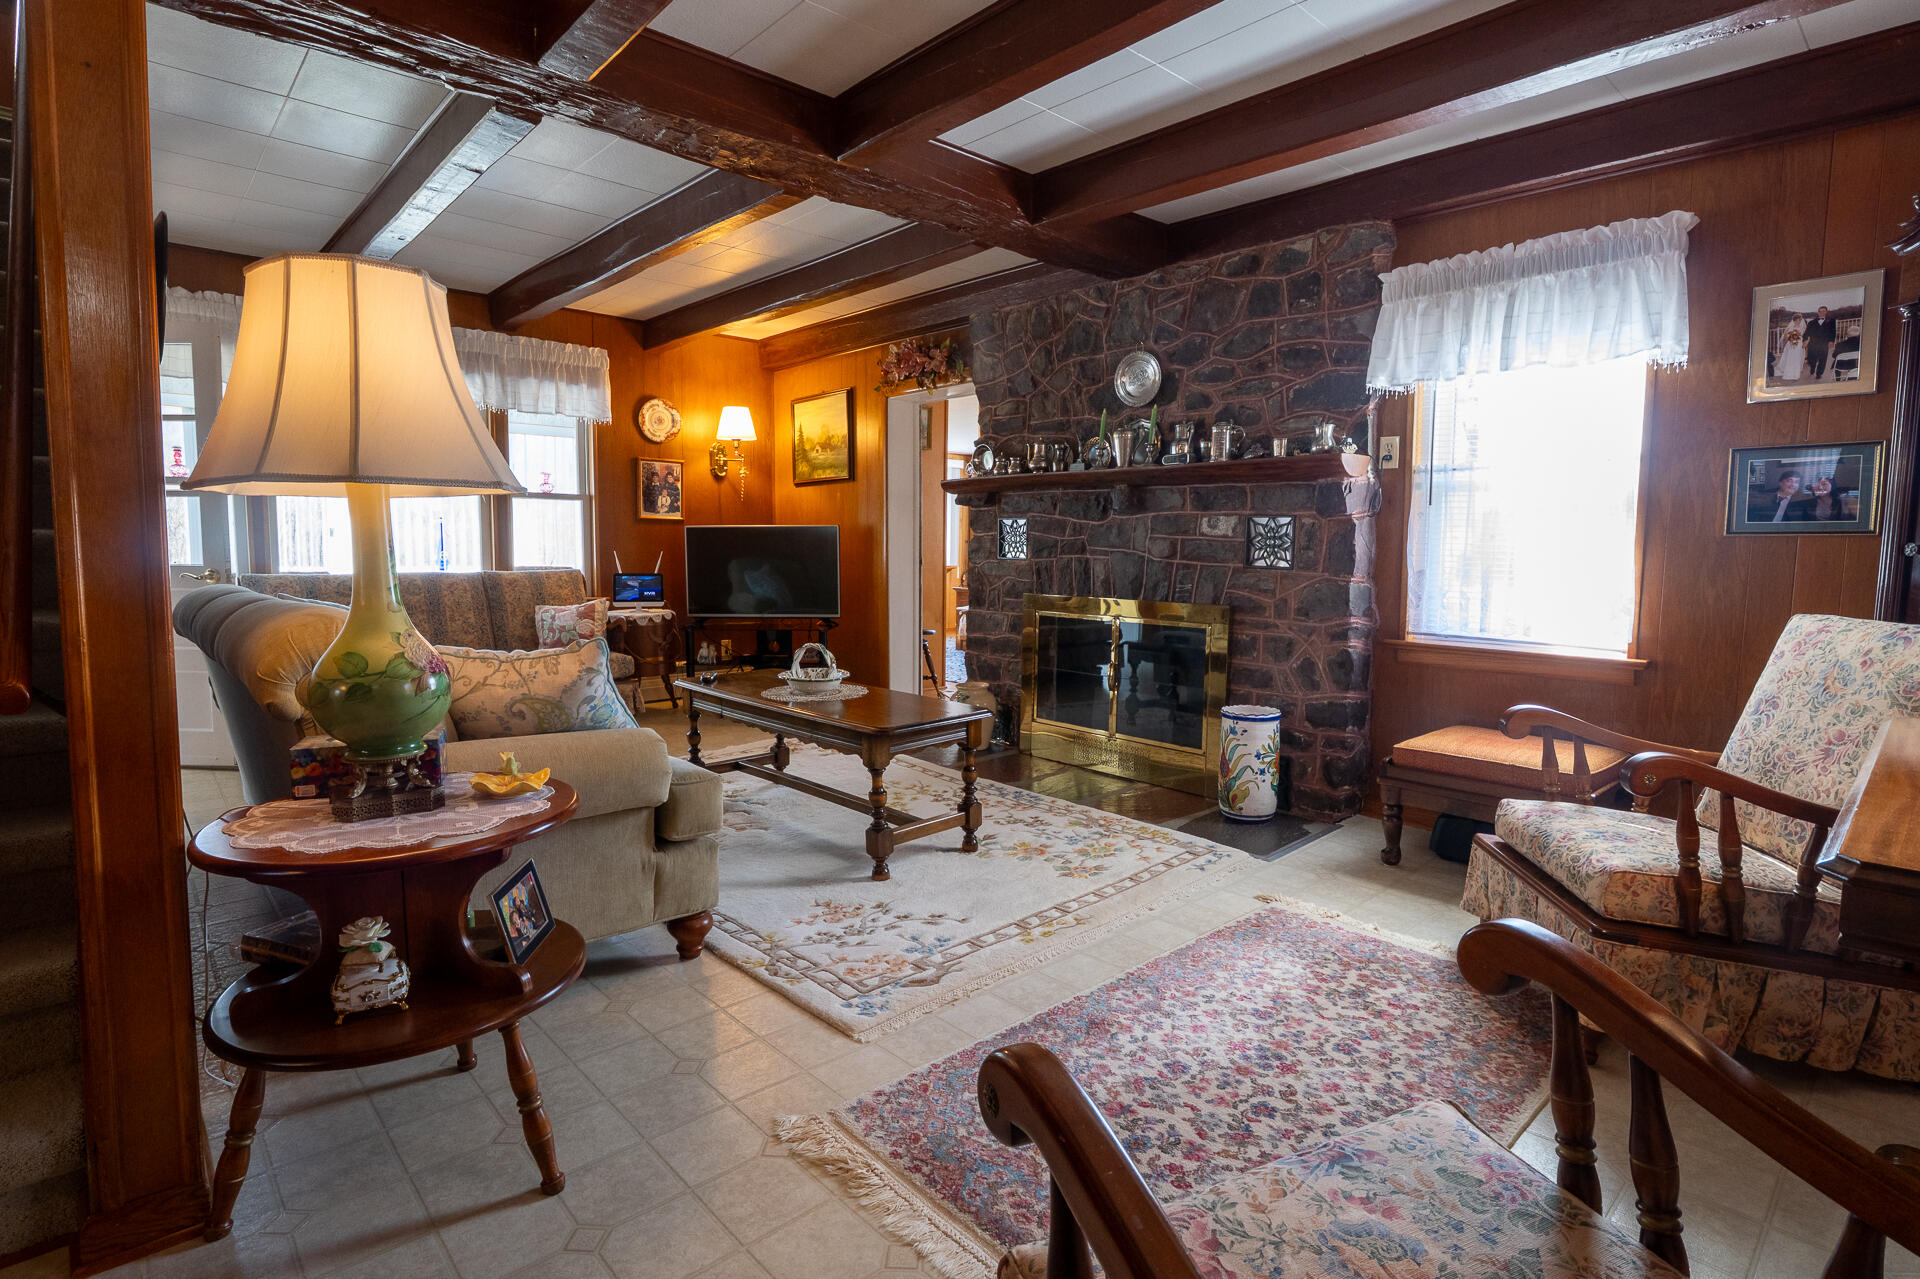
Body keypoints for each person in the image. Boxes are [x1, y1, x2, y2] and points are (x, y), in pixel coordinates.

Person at [1804, 305, 1838, 380]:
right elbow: (1807, 333)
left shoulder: (1831, 321)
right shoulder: (1811, 322)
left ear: (1826, 312)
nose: (1822, 313)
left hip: (1824, 343)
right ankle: (1812, 368)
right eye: (1820, 311)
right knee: (1812, 359)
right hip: (1813, 344)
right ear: (1818, 312)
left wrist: (1831, 341)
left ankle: (1819, 373)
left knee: (1823, 359)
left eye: (1823, 311)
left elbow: (1833, 332)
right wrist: (1805, 340)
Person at [1775, 314, 1807, 382]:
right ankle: (1789, 373)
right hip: (1791, 344)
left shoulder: (1803, 327)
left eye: (1800, 320)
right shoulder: (1790, 327)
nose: (1798, 321)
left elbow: (1802, 335)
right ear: (1794, 320)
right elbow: (1786, 336)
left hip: (1799, 345)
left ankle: (1796, 374)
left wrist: (1798, 336)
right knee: (1790, 358)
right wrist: (1790, 337)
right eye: (1797, 320)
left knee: (1797, 359)